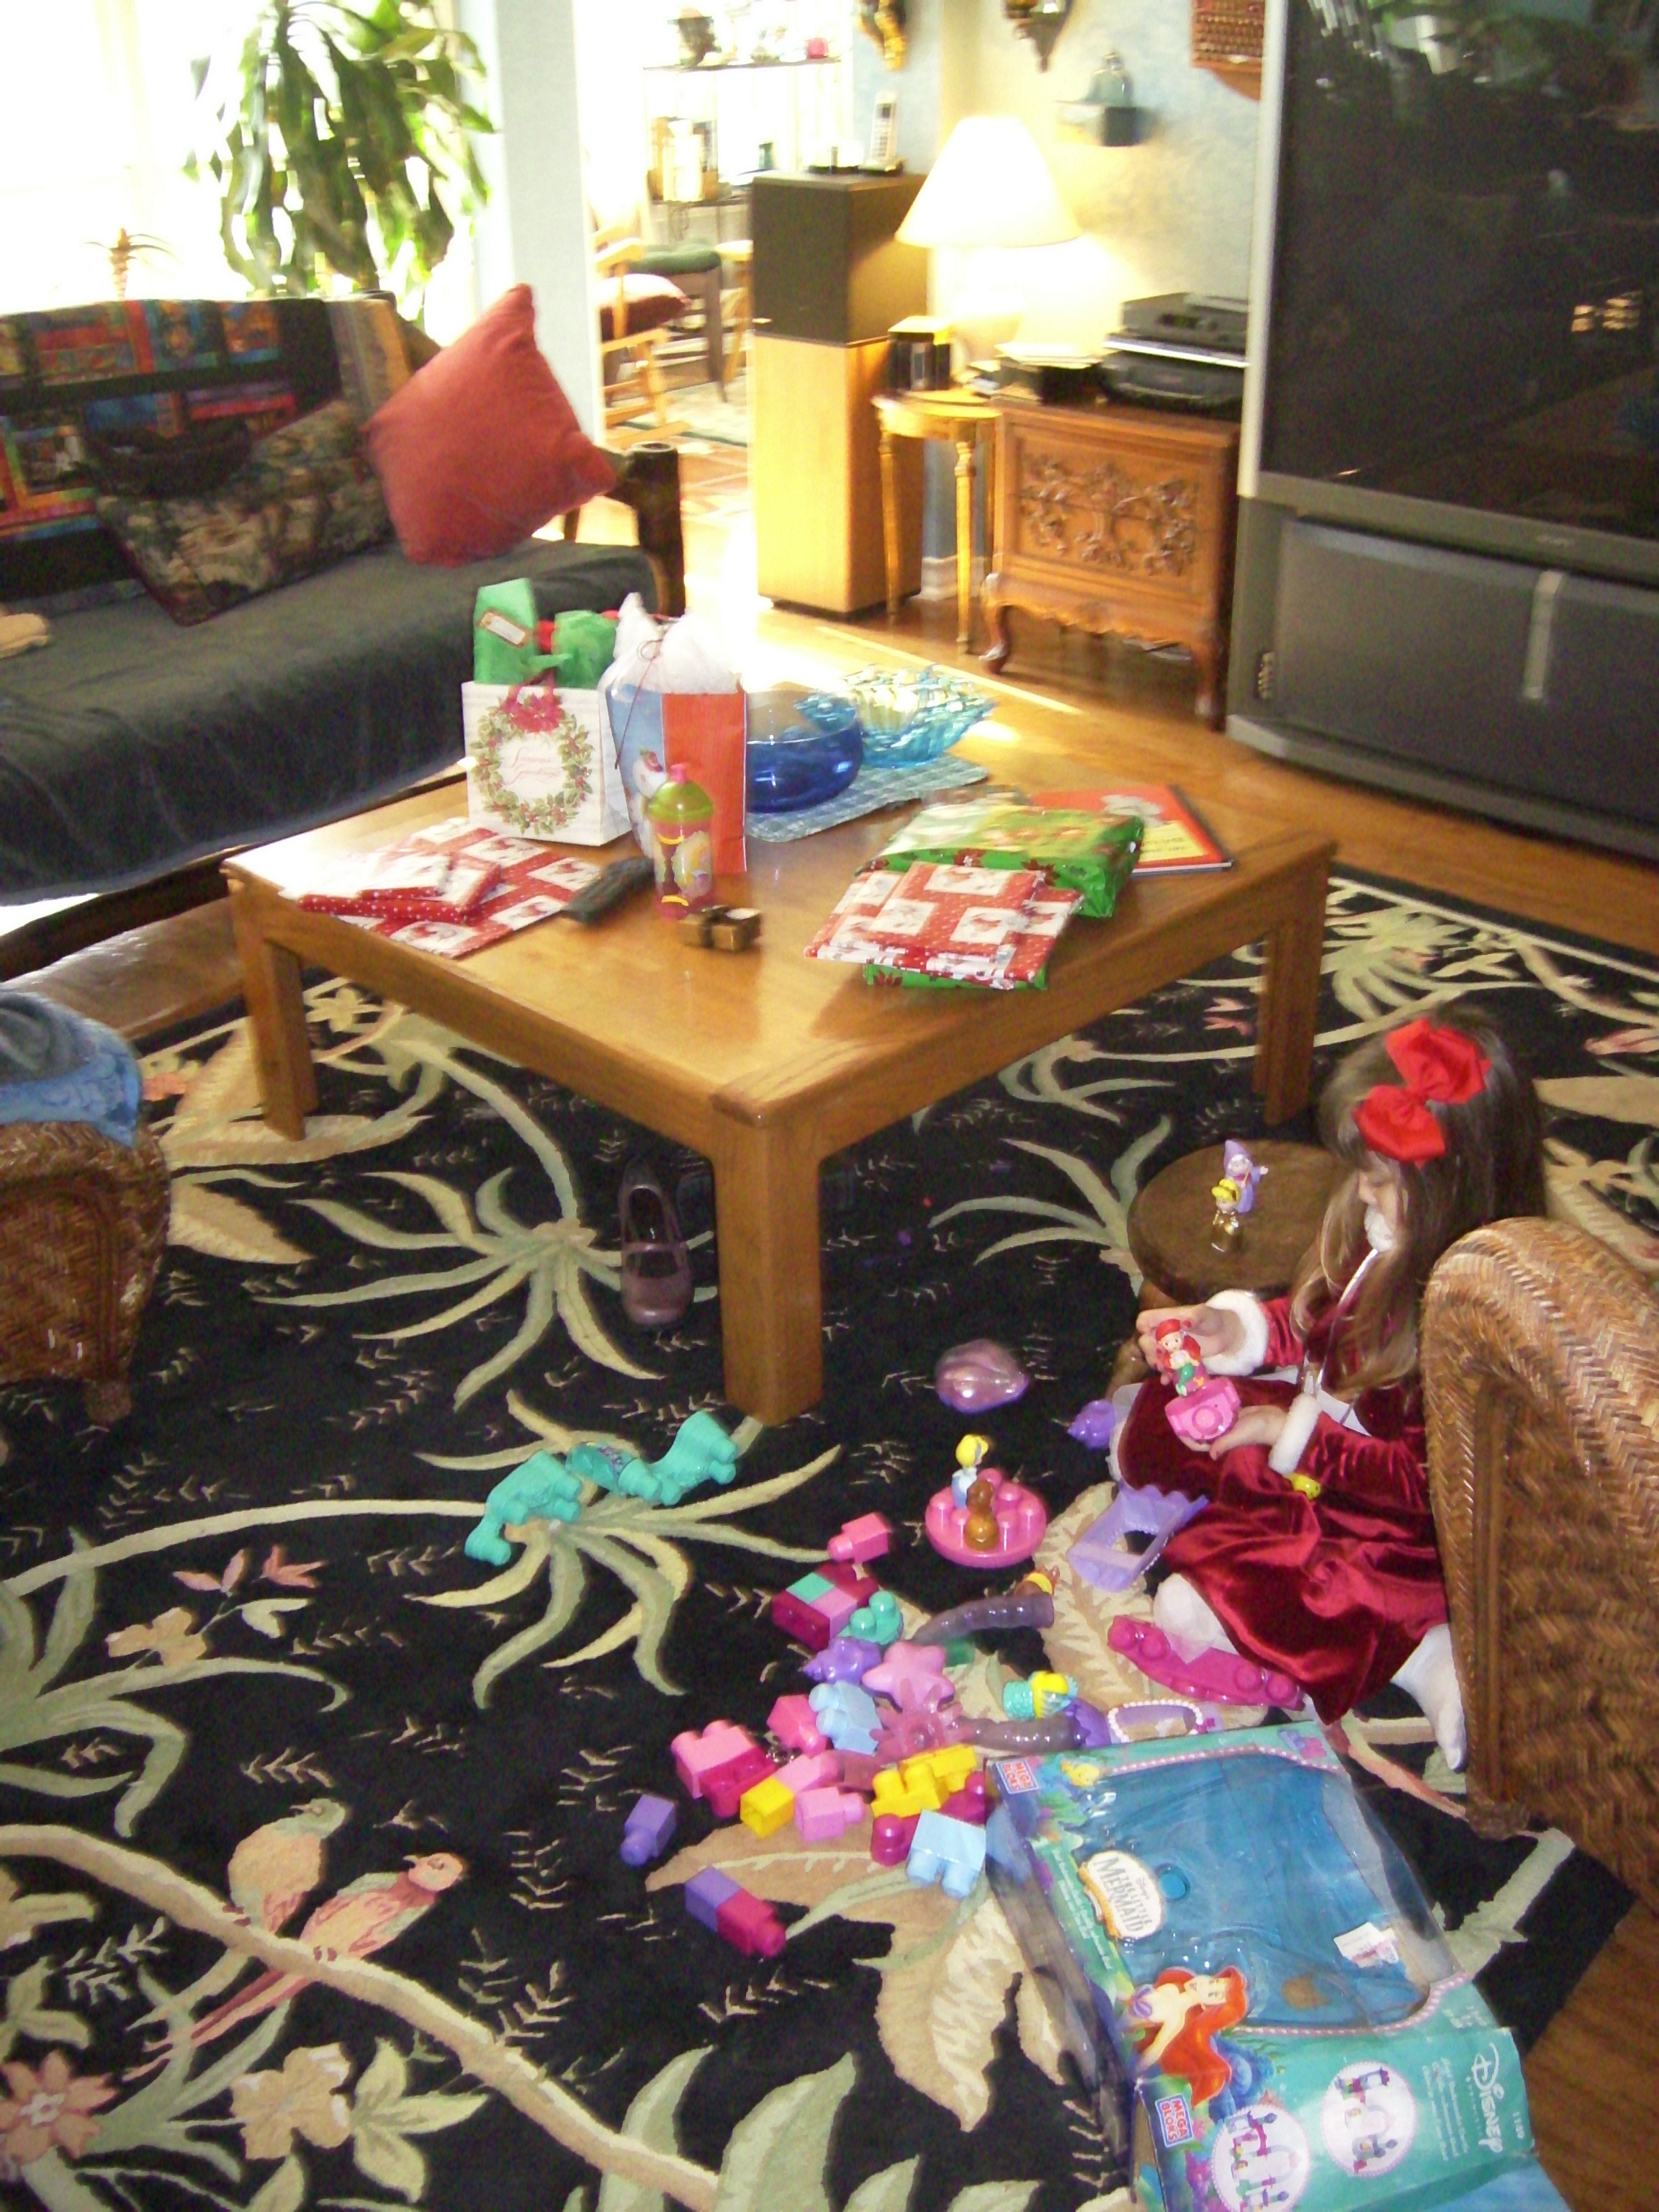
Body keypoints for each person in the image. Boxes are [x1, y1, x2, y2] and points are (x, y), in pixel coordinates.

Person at [1114, 1009, 1546, 1767]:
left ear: (1452, 1189)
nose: (1363, 1192)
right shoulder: (1380, 1227)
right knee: (1159, 1420)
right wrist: (1236, 1332)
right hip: (1317, 1444)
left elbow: (1420, 1482)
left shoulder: (1470, 1322)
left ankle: (1425, 1650)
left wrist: (1286, 1435)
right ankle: (1356, 1616)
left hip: (1399, 1532)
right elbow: (1313, 1324)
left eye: (1380, 1179)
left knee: (1228, 1598)